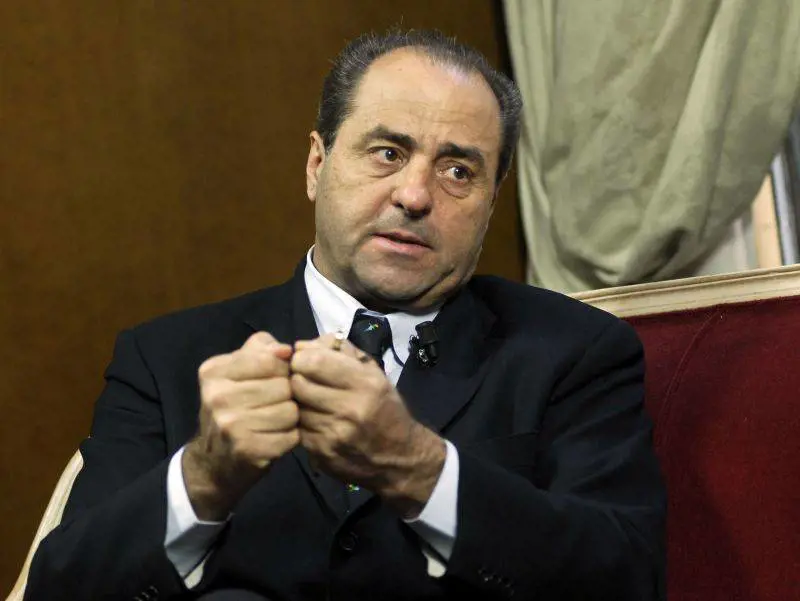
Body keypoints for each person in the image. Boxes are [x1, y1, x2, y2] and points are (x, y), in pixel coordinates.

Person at [25, 29, 665, 601]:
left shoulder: (575, 350)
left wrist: (420, 467)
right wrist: (202, 477)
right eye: (387, 152)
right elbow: (62, 589)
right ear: (317, 165)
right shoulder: (165, 358)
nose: (414, 196)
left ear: (492, 202)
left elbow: (626, 580)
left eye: (457, 170)